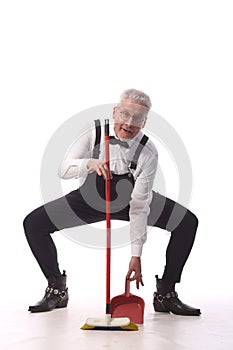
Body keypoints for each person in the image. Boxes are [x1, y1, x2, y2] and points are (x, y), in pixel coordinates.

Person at [23, 88, 201, 316]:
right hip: (89, 200)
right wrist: (90, 163)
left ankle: (166, 293)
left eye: (137, 118)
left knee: (186, 222)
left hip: (131, 201)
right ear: (115, 112)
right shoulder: (93, 131)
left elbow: (139, 206)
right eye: (125, 114)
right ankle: (57, 289)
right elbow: (63, 169)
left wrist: (135, 256)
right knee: (34, 223)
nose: (128, 123)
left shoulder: (148, 151)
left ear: (144, 122)